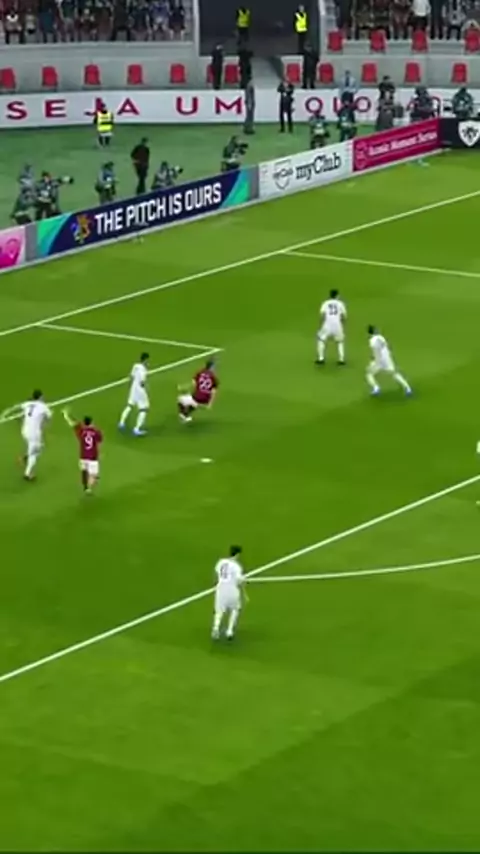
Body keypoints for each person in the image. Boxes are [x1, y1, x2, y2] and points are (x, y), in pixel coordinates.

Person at [63, 409, 103, 494]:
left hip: (83, 456)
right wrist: (99, 453)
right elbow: (99, 442)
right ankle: (89, 488)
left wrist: (66, 415)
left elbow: (72, 423)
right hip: (92, 457)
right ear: (91, 422)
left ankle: (85, 486)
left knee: (84, 471)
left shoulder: (81, 431)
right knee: (93, 475)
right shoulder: (96, 432)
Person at [212, 545, 247, 641]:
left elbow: (216, 574)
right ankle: (229, 631)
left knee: (219, 610)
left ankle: (216, 627)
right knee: (235, 609)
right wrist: (244, 580)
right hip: (232, 590)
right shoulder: (236, 566)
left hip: (220, 589)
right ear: (238, 554)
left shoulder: (221, 562)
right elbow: (239, 580)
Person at [366, 325, 412, 396]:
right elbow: (388, 346)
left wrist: (375, 361)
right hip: (387, 359)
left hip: (379, 360)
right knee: (394, 373)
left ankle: (376, 388)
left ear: (369, 333)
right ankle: (407, 388)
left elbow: (376, 351)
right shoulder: (381, 337)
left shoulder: (372, 341)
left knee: (369, 374)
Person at [20, 390, 52, 481]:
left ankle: (26, 456)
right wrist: (45, 423)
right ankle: (27, 473)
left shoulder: (27, 404)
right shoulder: (43, 406)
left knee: (34, 446)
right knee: (35, 453)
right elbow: (49, 417)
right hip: (34, 433)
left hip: (24, 431)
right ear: (40, 397)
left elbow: (22, 408)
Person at [118, 352, 150, 436]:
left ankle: (121, 423)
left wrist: (130, 386)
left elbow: (131, 377)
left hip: (133, 389)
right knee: (144, 409)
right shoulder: (143, 370)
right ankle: (137, 429)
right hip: (140, 391)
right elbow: (142, 382)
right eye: (147, 360)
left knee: (129, 405)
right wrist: (147, 388)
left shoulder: (135, 366)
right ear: (145, 360)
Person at [316, 289, 347, 366]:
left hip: (327, 324)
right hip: (337, 325)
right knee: (340, 341)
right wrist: (342, 325)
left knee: (321, 340)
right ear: (337, 295)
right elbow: (343, 316)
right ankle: (341, 359)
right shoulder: (340, 304)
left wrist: (320, 325)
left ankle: (321, 358)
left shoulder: (325, 303)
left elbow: (322, 315)